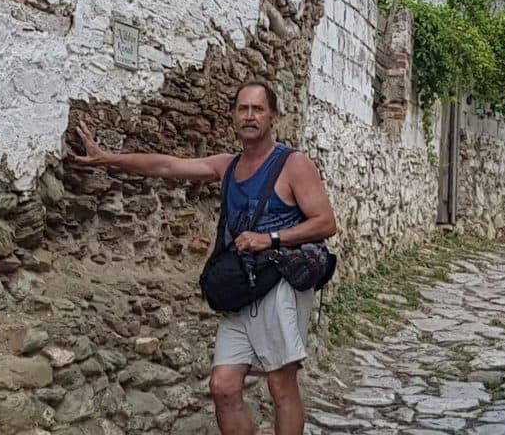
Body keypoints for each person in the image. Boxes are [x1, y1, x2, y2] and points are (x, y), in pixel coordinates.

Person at [72, 80, 337, 435]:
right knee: (223, 387)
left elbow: (325, 223)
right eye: (242, 109)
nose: (249, 116)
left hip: (278, 286)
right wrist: (108, 159)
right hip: (243, 288)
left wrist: (270, 239)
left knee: (281, 386)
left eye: (258, 109)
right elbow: (166, 167)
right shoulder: (227, 166)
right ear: (232, 116)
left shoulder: (293, 165)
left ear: (273, 115)